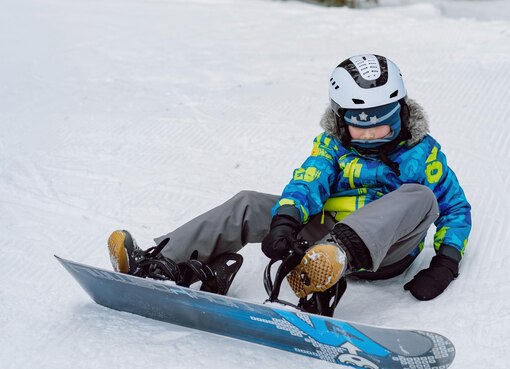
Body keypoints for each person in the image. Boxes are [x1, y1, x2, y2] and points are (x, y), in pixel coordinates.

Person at [108, 54, 471, 314]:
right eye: (361, 124)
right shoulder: (332, 146)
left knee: (420, 196)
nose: (373, 132)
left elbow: (455, 208)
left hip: (386, 251)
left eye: (383, 122)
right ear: (341, 120)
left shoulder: (423, 153)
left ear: (402, 113)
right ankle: (160, 263)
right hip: (325, 241)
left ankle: (337, 257)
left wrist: (445, 264)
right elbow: (308, 179)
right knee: (249, 202)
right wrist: (285, 220)